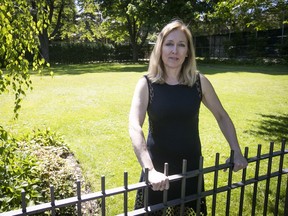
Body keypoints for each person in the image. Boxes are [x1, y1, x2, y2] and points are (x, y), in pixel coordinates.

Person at [128, 19, 248, 215]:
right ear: (160, 48)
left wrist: (236, 150)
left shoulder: (199, 82)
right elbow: (134, 125)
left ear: (188, 52)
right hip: (157, 172)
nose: (174, 50)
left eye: (181, 45)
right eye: (169, 44)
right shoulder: (146, 84)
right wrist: (150, 170)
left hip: (190, 170)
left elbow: (221, 116)